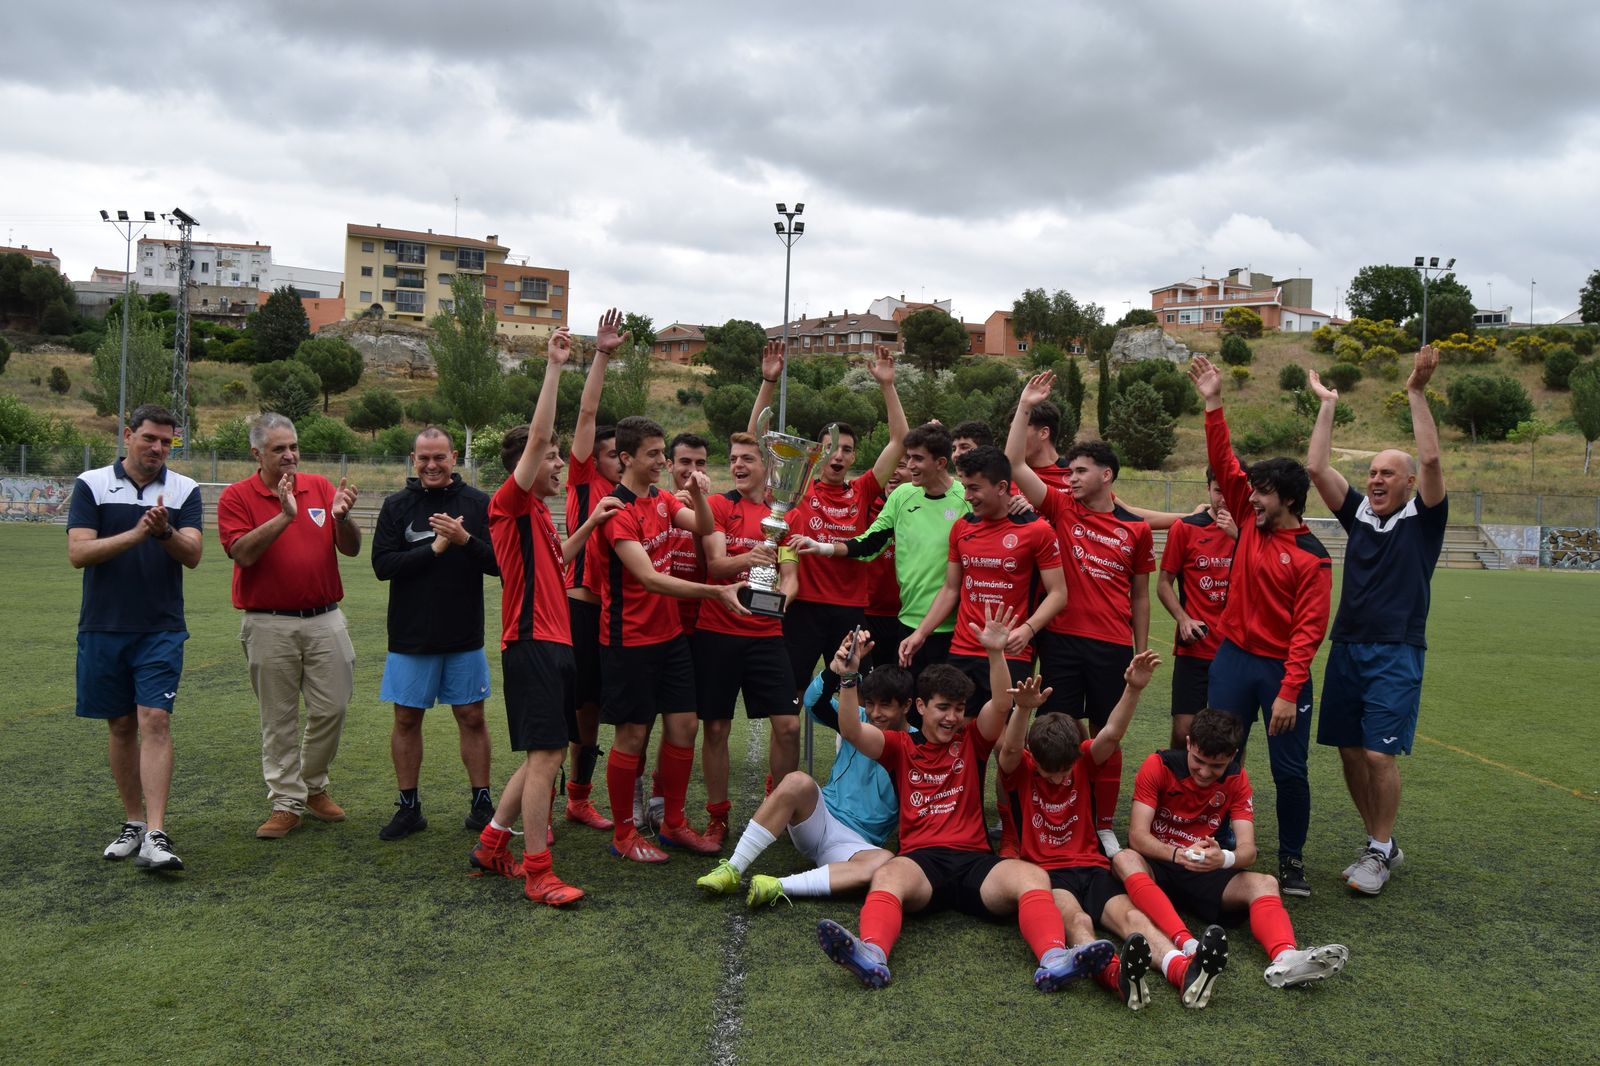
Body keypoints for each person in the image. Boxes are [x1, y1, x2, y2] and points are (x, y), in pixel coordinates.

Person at [813, 607, 1097, 993]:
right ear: (920, 707)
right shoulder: (900, 746)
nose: (952, 718)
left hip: (974, 862)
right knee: (888, 874)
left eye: (959, 709)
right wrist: (848, 678)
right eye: (943, 708)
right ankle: (872, 954)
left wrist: (996, 653)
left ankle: (1054, 959)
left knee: (1032, 876)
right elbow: (851, 728)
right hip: (923, 863)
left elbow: (999, 704)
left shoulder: (972, 741)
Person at [467, 326, 626, 904]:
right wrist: (554, 367)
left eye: (559, 458)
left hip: (554, 644)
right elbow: (537, 436)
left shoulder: (538, 515)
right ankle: (538, 872)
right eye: (552, 459)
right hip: (532, 642)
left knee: (545, 752)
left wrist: (590, 523)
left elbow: (557, 561)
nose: (558, 465)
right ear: (525, 467)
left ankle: (491, 844)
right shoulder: (508, 503)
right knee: (546, 757)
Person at [998, 652, 1231, 1009]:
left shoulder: (1085, 762)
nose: (1060, 779)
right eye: (1051, 773)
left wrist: (1133, 688)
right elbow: (1011, 748)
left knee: (1134, 918)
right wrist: (1024, 710)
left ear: (1077, 756)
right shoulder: (1023, 769)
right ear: (1036, 761)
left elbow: (1112, 732)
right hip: (1047, 874)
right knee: (1076, 920)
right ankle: (1115, 975)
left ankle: (1182, 969)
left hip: (1092, 867)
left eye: (1065, 770)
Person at [1188, 354, 1332, 897]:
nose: (1248, 498)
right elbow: (1224, 460)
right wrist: (1213, 402)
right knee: (1218, 756)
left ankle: (1291, 861)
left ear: (1288, 499)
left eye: (1261, 492)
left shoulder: (1313, 557)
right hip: (1232, 661)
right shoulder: (1249, 520)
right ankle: (1216, 839)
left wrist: (1290, 692)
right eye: (1250, 490)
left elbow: (1308, 632)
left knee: (1288, 771)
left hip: (1280, 673)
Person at [1305, 346, 1447, 896]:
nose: (1378, 478)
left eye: (1389, 472)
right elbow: (1316, 467)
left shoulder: (1426, 519)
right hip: (1348, 646)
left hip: (1396, 647)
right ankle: (1379, 845)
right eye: (1373, 471)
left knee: (1377, 751)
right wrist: (1327, 405)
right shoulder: (1360, 512)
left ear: (1409, 482)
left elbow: (1432, 461)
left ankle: (1380, 848)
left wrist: (1415, 390)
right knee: (1346, 748)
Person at [1005, 372, 1154, 852]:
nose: (1069, 480)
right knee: (1057, 735)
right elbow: (1011, 463)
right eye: (1068, 474)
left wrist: (1139, 650)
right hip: (1062, 641)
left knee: (1107, 737)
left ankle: (1103, 824)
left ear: (1106, 475)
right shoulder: (1060, 509)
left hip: (1112, 645)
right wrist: (1025, 406)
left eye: (1079, 472)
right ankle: (1049, 813)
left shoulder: (1136, 530)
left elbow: (1140, 596)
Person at [594, 415, 751, 862]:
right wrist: (716, 592)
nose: (663, 461)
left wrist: (701, 495)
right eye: (654, 454)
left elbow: (703, 527)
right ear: (626, 458)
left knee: (683, 726)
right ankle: (624, 832)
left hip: (670, 638)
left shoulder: (661, 499)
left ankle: (674, 823)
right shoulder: (616, 511)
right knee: (632, 735)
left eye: (663, 452)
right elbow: (650, 579)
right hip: (629, 641)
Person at [1112, 709, 1350, 987]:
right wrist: (1178, 853)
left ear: (1233, 755)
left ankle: (1285, 959)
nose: (1204, 772)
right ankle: (1188, 944)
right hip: (1158, 865)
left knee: (1265, 883)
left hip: (1203, 870)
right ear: (1188, 743)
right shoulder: (1159, 765)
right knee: (1125, 858)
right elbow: (1138, 837)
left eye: (1216, 766)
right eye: (1198, 761)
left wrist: (1223, 858)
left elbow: (1248, 851)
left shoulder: (1237, 778)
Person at [68, 404, 202, 871]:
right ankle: (134, 822)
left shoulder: (184, 488)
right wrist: (137, 533)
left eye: (167, 442)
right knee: (121, 725)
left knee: (154, 720)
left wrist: (163, 531)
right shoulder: (91, 484)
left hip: (160, 628)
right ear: (128, 435)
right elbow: (79, 553)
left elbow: (193, 554)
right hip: (103, 626)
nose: (158, 449)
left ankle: (158, 834)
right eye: (149, 439)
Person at [218, 413, 360, 840]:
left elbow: (350, 549)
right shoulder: (236, 496)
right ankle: (286, 803)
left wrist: (341, 518)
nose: (290, 455)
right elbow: (242, 554)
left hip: (326, 618)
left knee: (332, 707)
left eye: (293, 446)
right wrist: (284, 515)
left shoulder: (319, 485)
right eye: (279, 449)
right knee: (278, 718)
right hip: (268, 623)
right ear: (256, 453)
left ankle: (313, 784)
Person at [696, 655, 917, 906]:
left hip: (856, 845)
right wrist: (836, 668)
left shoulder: (917, 746)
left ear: (907, 705)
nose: (875, 713)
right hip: (819, 818)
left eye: (885, 705)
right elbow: (813, 704)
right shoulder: (856, 719)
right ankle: (732, 869)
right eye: (870, 704)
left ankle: (778, 885)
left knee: (884, 861)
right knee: (797, 781)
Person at [370, 426, 500, 841]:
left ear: (454, 456)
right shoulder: (396, 505)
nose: (431, 465)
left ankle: (481, 805)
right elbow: (383, 566)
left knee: (472, 717)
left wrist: (464, 540)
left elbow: (500, 563)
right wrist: (434, 549)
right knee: (406, 718)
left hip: (463, 634)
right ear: (413, 459)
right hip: (411, 635)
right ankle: (409, 808)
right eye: (423, 458)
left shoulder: (478, 504)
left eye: (439, 457)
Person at [757, 343, 908, 696]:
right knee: (787, 701)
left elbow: (900, 439)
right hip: (803, 608)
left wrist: (887, 385)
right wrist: (767, 381)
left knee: (860, 699)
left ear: (855, 455)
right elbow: (758, 441)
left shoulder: (865, 489)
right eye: (832, 447)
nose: (838, 455)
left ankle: (854, 752)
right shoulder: (796, 492)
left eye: (847, 449)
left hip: (852, 611)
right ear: (818, 451)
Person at [898, 446, 1067, 717]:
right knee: (956, 731)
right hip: (963, 648)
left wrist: (1026, 630)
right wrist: (921, 633)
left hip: (1010, 651)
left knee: (1005, 743)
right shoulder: (962, 528)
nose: (967, 496)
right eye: (964, 487)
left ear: (1001, 487)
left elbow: (1058, 593)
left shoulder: (1036, 530)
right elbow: (951, 589)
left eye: (974, 488)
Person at [793, 421, 968, 679]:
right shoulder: (902, 496)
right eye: (908, 458)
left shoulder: (967, 498)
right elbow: (870, 543)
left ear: (940, 463)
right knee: (907, 705)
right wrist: (823, 547)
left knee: (947, 708)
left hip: (956, 627)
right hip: (909, 621)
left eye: (917, 459)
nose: (909, 466)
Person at [693, 431, 801, 846]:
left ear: (768, 467)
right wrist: (750, 557)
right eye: (734, 458)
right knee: (717, 728)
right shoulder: (719, 506)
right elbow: (717, 566)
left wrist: (781, 602)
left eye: (748, 460)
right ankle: (718, 817)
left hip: (766, 634)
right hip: (717, 633)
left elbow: (790, 578)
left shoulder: (783, 516)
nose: (738, 465)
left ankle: (779, 808)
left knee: (789, 726)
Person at [561, 309, 631, 832]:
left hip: (620, 616)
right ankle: (569, 794)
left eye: (617, 455)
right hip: (578, 610)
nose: (613, 460)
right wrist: (601, 355)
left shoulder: (637, 497)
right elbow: (587, 416)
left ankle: (586, 796)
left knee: (607, 710)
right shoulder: (586, 482)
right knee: (573, 710)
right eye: (608, 454)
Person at [1152, 471, 1238, 749]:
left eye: (1230, 491)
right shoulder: (1186, 528)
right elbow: (1163, 583)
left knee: (1232, 731)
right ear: (1208, 488)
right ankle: (1177, 785)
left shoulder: (1253, 532)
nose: (1223, 499)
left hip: (1236, 649)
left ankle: (1230, 791)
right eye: (1217, 490)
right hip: (1195, 646)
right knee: (1183, 730)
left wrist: (1240, 536)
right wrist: (1183, 618)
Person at [1016, 397, 1073, 491]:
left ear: (1043, 433)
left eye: (1019, 431)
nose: (1014, 440)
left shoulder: (1075, 475)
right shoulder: (1006, 478)